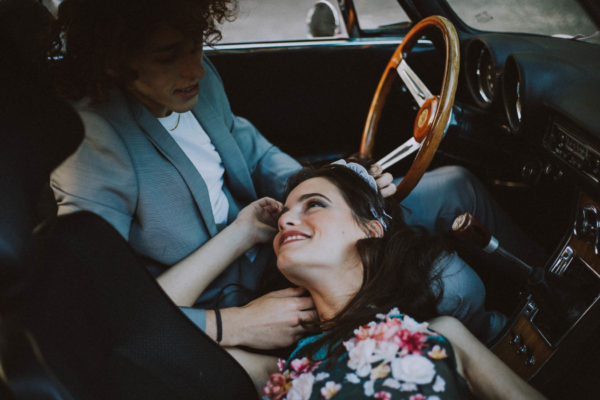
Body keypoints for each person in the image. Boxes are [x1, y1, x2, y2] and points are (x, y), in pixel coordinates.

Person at [48, 0, 528, 376]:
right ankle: (500, 351)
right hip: (234, 296)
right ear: (113, 62)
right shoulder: (94, 145)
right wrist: (234, 323)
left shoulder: (197, 84)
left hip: (272, 230)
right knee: (452, 288)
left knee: (456, 186)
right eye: (168, 56)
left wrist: (341, 182)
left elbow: (254, 153)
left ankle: (544, 293)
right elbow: (102, 302)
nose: (195, 68)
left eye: (196, 46)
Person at [262, 162, 546, 399]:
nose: (284, 222)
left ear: (371, 230)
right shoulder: (283, 370)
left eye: (314, 204)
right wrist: (242, 234)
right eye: (281, 219)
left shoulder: (442, 333)